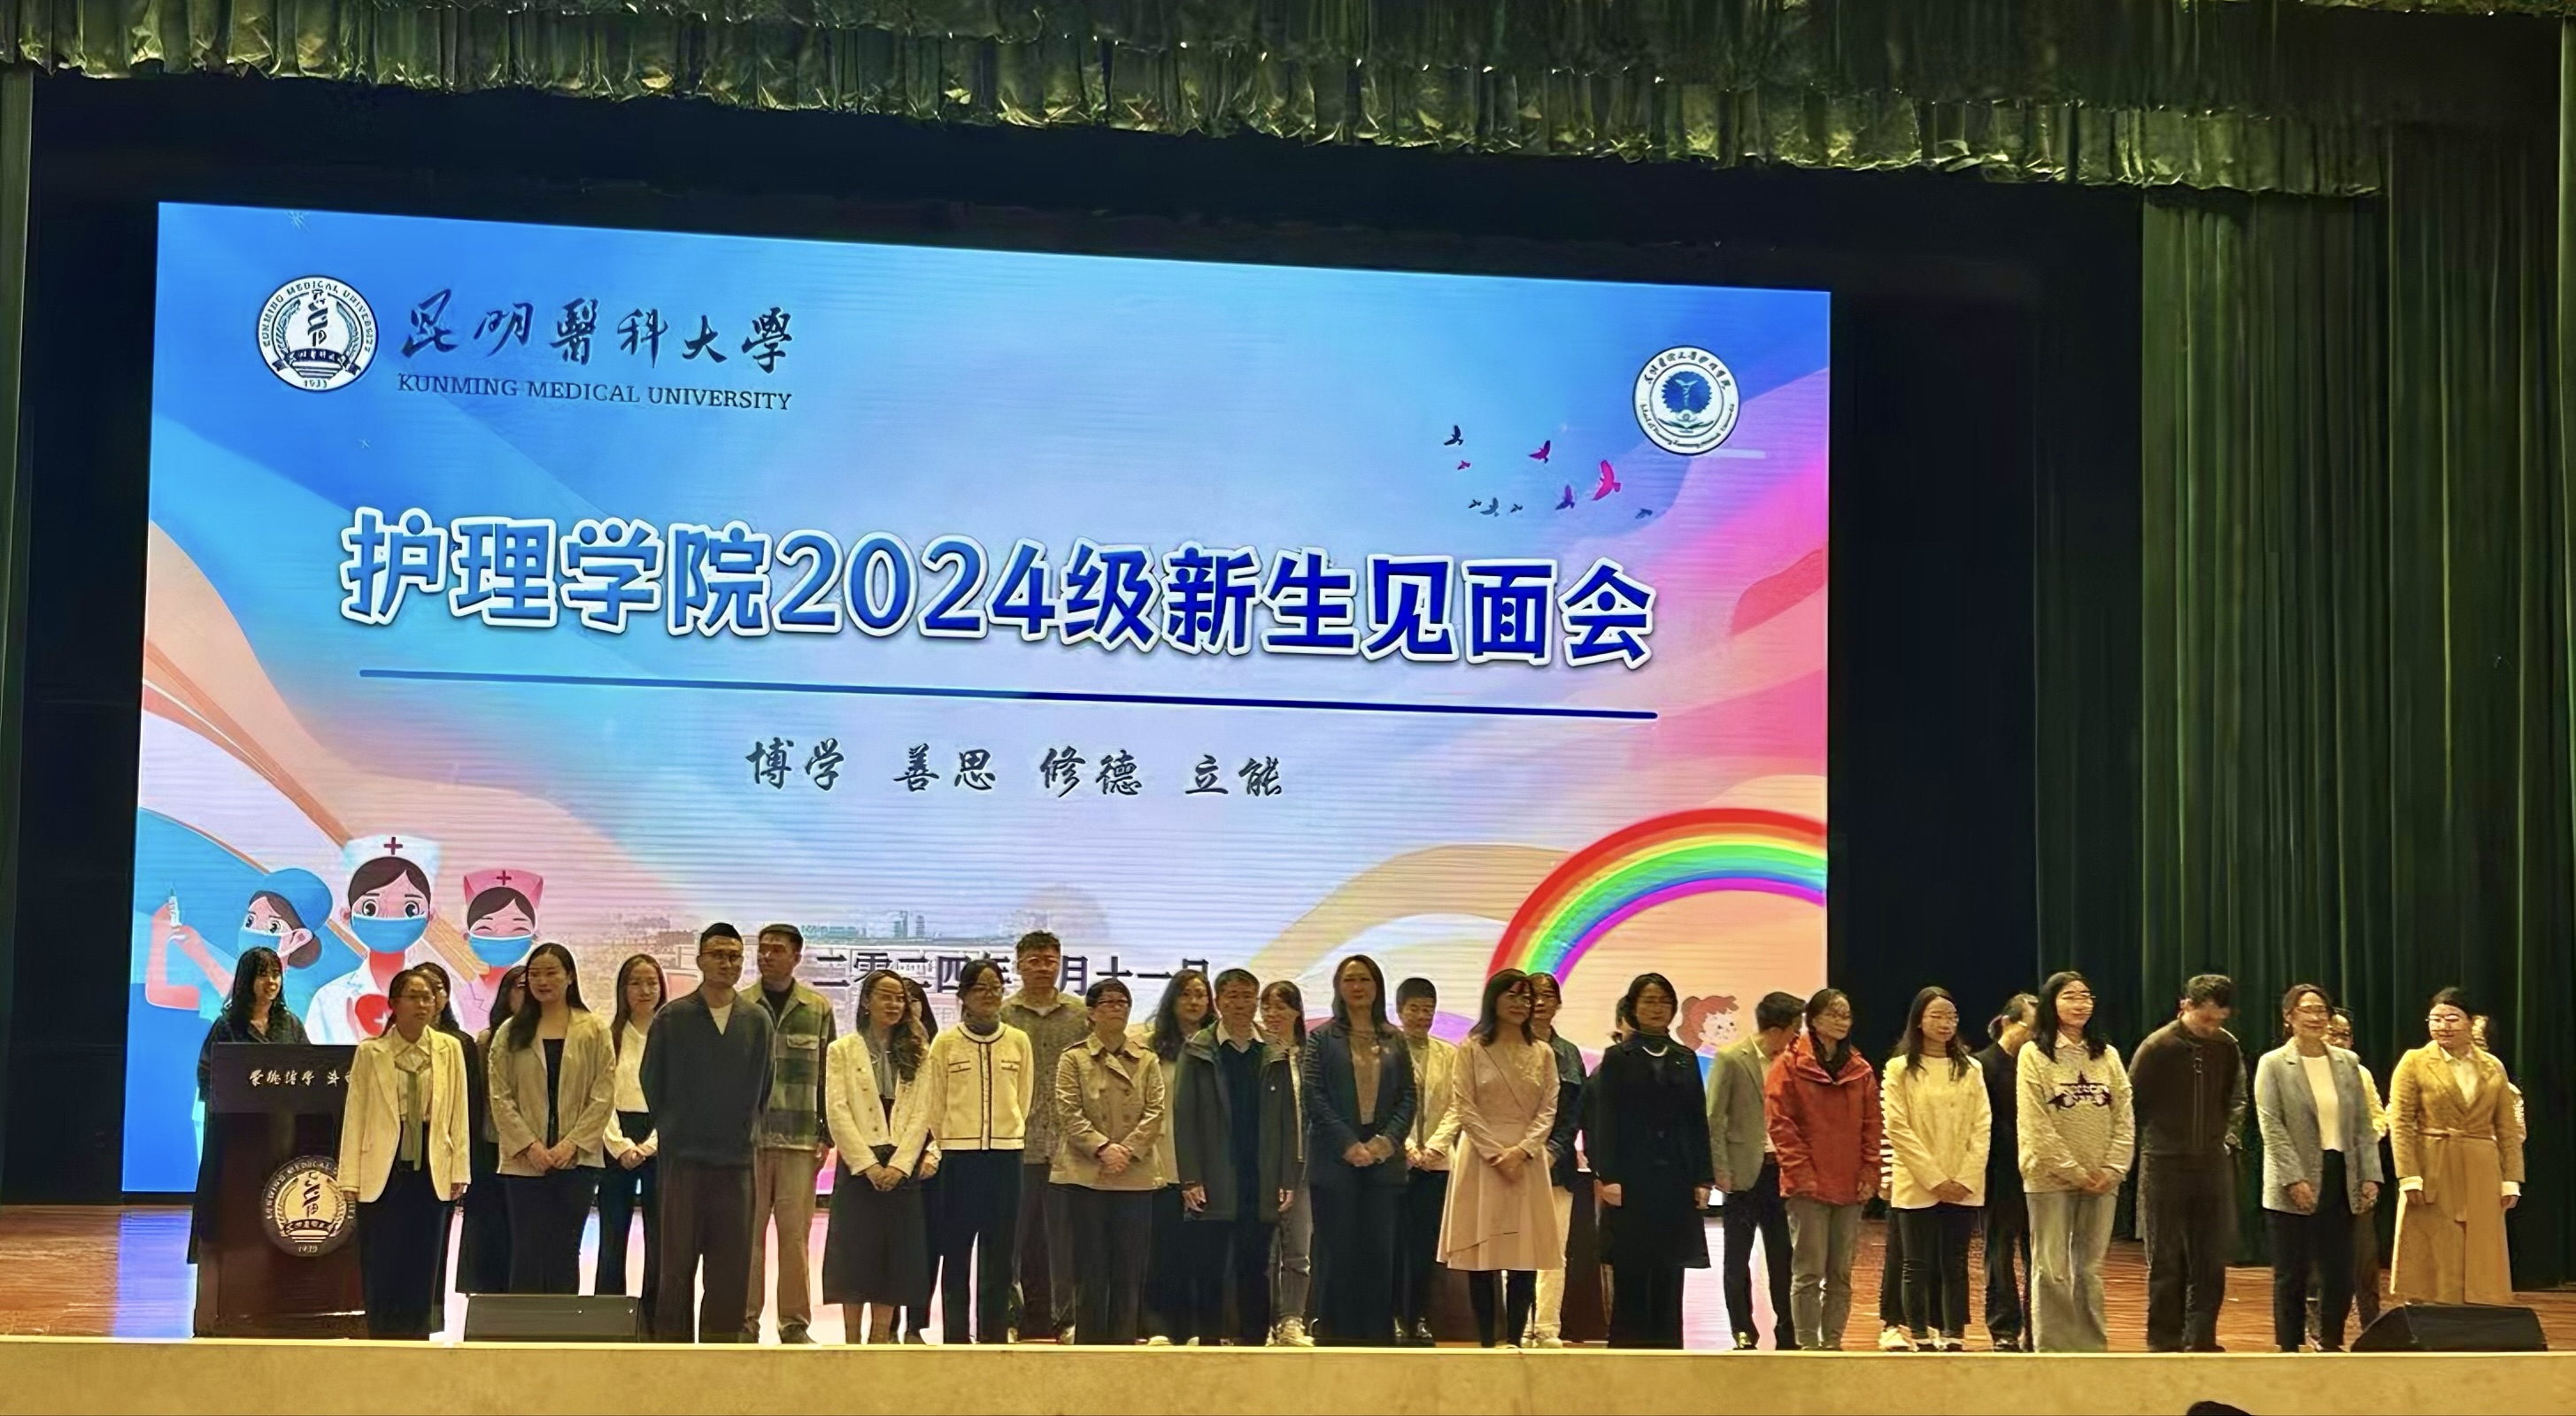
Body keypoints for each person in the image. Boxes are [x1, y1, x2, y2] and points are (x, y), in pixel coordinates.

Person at [641, 923, 775, 1342]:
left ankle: (720, 1359)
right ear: (700, 960)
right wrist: (675, 1131)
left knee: (730, 1271)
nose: (726, 963)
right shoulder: (673, 1017)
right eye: (717, 955)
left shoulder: (757, 1020)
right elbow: (652, 1081)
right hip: (682, 1162)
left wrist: (742, 1132)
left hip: (736, 1163)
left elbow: (763, 1086)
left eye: (734, 956)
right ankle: (673, 1356)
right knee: (675, 1267)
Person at [335, 967, 470, 1338]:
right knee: (381, 1257)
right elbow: (355, 1114)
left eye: (428, 997)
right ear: (394, 1004)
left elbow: (458, 1114)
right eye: (413, 997)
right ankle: (381, 1335)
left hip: (431, 1165)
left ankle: (415, 1338)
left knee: (423, 1259)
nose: (423, 1005)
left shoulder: (449, 1049)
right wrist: (349, 1177)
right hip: (383, 1165)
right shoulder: (371, 1052)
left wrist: (460, 1169)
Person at [2256, 983, 2383, 1351]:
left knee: (2339, 1270)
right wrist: (2293, 1178)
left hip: (2341, 1172)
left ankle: (2330, 1341)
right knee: (2292, 1272)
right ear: (2289, 1017)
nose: (2315, 1017)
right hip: (2292, 1176)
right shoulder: (2274, 1064)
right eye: (2306, 1010)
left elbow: (2363, 1124)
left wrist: (2370, 1174)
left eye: (2321, 1011)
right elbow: (2271, 1126)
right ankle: (2288, 1347)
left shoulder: (2347, 1063)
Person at [1437, 969, 1560, 1348]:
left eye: (1526, 997)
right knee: (1483, 1255)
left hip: (1527, 1159)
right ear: (1494, 999)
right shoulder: (1472, 1049)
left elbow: (1549, 1108)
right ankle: (1488, 1343)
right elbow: (1464, 1105)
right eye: (1512, 996)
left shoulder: (1543, 1052)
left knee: (1525, 1252)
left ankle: (1517, 1340)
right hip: (1481, 1158)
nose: (1521, 1004)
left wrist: (1522, 1150)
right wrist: (1495, 1153)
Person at [1587, 972, 1711, 1349]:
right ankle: (1629, 1350)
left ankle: (1668, 1348)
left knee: (1671, 1268)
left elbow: (1697, 1122)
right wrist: (1607, 1174)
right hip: (1631, 1179)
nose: (1657, 1009)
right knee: (1632, 1267)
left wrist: (1703, 1179)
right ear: (1633, 1008)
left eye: (1663, 1002)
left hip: (1675, 1179)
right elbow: (1603, 1121)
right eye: (1649, 1001)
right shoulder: (1617, 1058)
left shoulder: (1685, 1058)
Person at [1176, 967, 1297, 1347]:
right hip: (1213, 1175)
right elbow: (1184, 1117)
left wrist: (1288, 1176)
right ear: (1219, 1001)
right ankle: (1210, 1344)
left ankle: (1254, 1344)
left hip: (1260, 1175)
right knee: (1209, 1267)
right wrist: (1190, 1177)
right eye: (1232, 996)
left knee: (1255, 1266)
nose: (1240, 1004)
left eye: (1247, 997)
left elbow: (1288, 1119)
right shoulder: (1198, 1048)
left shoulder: (1274, 1050)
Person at [1301, 953, 1417, 1347]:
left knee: (1379, 1254)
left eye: (1365, 979)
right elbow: (1314, 1095)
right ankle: (1336, 1337)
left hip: (1383, 1165)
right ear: (1338, 987)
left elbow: (1407, 1097)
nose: (1357, 986)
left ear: (1377, 986)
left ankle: (1377, 1339)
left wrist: (1384, 1143)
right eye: (1350, 979)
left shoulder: (1394, 1038)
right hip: (1336, 1161)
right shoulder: (1322, 1038)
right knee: (1338, 1252)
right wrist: (1349, 1144)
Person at [489, 942, 615, 1294]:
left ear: (570, 977)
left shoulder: (594, 1029)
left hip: (576, 1162)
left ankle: (563, 1326)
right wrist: (531, 1146)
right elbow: (500, 1096)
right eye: (535, 974)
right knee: (527, 1251)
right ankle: (523, 1327)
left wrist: (570, 1145)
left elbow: (603, 1095)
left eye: (551, 973)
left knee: (564, 1251)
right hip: (523, 1162)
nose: (542, 981)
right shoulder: (511, 1031)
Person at [2017, 970, 2133, 1353]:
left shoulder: (2107, 1054)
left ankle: (2091, 1349)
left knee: (2089, 1269)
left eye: (2086, 996)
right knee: (2051, 1269)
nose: (2080, 1004)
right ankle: (2054, 1349)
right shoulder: (2034, 1054)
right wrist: (2074, 1171)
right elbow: (2035, 1124)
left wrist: (2113, 1168)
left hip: (2102, 1180)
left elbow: (2124, 1114)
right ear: (2051, 1004)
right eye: (2070, 996)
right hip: (2049, 1178)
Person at [2127, 973, 2244, 1352]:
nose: (2211, 1027)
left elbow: (2235, 1098)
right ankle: (2164, 1339)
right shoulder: (2157, 1047)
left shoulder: (2226, 1046)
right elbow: (2132, 1104)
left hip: (2211, 1162)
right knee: (2166, 1256)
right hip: (2164, 1161)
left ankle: (2202, 1336)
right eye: (2204, 1019)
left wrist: (2227, 1139)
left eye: (2219, 1020)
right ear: (2185, 1006)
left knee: (2211, 1257)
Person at [921, 957, 1033, 1344]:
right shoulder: (946, 1042)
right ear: (964, 996)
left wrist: (1007, 1131)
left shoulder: (1017, 1041)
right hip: (958, 1157)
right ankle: (955, 1336)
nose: (989, 995)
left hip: (1006, 1156)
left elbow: (1023, 1097)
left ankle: (993, 1334)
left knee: (999, 1253)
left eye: (996, 988)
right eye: (980, 988)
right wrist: (950, 1140)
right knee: (955, 1250)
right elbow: (935, 1102)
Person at [2390, 988, 2524, 1304]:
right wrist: (2408, 1175)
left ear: (2470, 1022)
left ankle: (2478, 1313)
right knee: (2435, 1244)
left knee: (2480, 1246)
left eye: (2452, 1018)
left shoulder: (2492, 1066)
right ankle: (2431, 1314)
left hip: (2481, 1167)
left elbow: (2506, 1127)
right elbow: (2401, 1122)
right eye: (2435, 1019)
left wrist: (2511, 1178)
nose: (2443, 1026)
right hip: (2433, 1162)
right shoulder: (2415, 1062)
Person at [823, 969, 937, 1343]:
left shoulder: (919, 1053)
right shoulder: (842, 1050)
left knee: (894, 1257)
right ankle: (851, 1339)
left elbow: (923, 1114)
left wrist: (901, 1166)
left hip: (901, 1165)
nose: (894, 1004)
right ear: (866, 1002)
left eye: (899, 998)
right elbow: (837, 1111)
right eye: (885, 996)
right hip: (859, 1165)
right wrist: (868, 1165)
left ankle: (879, 1338)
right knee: (855, 1254)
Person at [1053, 978, 1167, 1343]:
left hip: (1134, 1175)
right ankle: (1089, 1347)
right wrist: (1103, 1148)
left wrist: (1126, 1151)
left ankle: (1123, 1346)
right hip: (1086, 1174)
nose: (1117, 1008)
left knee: (1128, 1270)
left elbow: (1155, 1111)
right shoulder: (1073, 1058)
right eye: (1108, 1003)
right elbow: (1068, 1112)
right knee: (1090, 1269)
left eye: (1123, 1002)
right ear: (1091, 1012)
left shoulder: (1147, 1059)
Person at [1765, 987, 1879, 1351]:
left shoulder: (1860, 1069)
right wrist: (1802, 1174)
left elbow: (1872, 1125)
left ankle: (1832, 1344)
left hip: (1850, 1185)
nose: (1841, 1021)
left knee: (1840, 1274)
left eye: (1846, 1015)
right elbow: (1780, 1124)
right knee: (1808, 1271)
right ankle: (1807, 1346)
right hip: (1807, 1186)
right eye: (1832, 1014)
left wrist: (1870, 1172)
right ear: (1813, 1020)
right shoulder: (1788, 1064)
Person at [1881, 986, 1991, 1353]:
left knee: (1955, 1262)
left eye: (1951, 1016)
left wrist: (1964, 1177)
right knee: (1916, 1262)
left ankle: (1953, 1332)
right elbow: (1897, 1127)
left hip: (1963, 1181)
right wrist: (1934, 1178)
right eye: (1937, 1016)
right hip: (1916, 1181)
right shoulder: (1899, 1069)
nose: (1945, 1023)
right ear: (1918, 1020)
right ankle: (1920, 1333)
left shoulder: (1971, 1068)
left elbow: (1982, 1125)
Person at [741, 922, 836, 1343]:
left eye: (777, 950)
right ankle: (745, 1321)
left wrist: (826, 1135)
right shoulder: (741, 1006)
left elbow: (828, 1077)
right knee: (748, 1236)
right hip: (749, 1141)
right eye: (762, 949)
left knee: (794, 1239)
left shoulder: (818, 1008)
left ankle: (794, 1324)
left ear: (797, 957)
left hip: (799, 1141)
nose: (767, 956)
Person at [189, 945, 310, 1264]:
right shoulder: (227, 1026)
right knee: (236, 1202)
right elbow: (206, 1075)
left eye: (276, 974)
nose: (271, 982)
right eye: (263, 974)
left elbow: (308, 1071)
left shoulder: (291, 1025)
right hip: (237, 1135)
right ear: (246, 980)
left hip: (281, 1131)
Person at [999, 930, 1089, 1343]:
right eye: (1033, 960)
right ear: (1018, 964)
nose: (1042, 967)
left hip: (1070, 1144)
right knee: (1012, 1239)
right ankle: (1009, 1319)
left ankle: (1066, 1320)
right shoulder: (1004, 1014)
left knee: (1065, 1242)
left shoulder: (1080, 1014)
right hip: (1017, 1142)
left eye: (1050, 960)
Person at [1706, 989, 1800, 1351]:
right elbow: (1714, 1117)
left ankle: (1788, 1330)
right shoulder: (1732, 1058)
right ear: (1775, 1029)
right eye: (1793, 1029)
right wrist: (1720, 1169)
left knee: (1783, 1256)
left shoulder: (1792, 1061)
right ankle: (1742, 1329)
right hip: (1742, 1171)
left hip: (1781, 1171)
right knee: (1737, 1257)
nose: (1796, 1036)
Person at [1138, 968, 1213, 1343]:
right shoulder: (1152, 1048)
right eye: (1186, 994)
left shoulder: (1218, 1046)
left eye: (1200, 994)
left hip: (1208, 1162)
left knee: (1200, 1252)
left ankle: (1197, 1327)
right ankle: (1158, 1327)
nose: (1194, 1001)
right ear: (1172, 1000)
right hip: (1161, 1160)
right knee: (1161, 1249)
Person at [1392, 975, 1461, 1345]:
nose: (1421, 1017)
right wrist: (1405, 1147)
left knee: (1424, 1248)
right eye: (1414, 1009)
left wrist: (1435, 1146)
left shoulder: (1449, 1054)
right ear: (1399, 1010)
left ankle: (1418, 1318)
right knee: (1394, 1245)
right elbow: (1385, 1106)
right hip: (1395, 1163)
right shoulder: (1387, 1051)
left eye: (1428, 1010)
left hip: (1436, 1165)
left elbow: (1457, 1105)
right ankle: (1393, 1318)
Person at [597, 953, 666, 1322]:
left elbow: (676, 1097)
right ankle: (609, 1315)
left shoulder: (670, 1037)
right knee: (612, 1232)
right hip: (615, 1139)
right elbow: (601, 1097)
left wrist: (652, 1144)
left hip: (660, 1138)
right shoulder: (609, 1038)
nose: (644, 990)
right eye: (636, 983)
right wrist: (620, 1145)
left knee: (660, 1236)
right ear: (623, 989)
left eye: (651, 982)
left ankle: (656, 1317)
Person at [2312, 1007, 2388, 1341]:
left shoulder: (2361, 1073)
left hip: (2356, 1171)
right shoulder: (2302, 1070)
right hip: (2316, 1171)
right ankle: (2319, 1326)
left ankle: (2371, 1324)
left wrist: (2366, 1140)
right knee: (2318, 1256)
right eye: (2333, 1033)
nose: (2340, 1040)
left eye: (2345, 1035)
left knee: (2363, 1255)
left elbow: (2378, 1117)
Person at [1523, 971, 1588, 1348]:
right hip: (1514, 1162)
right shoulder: (1507, 1048)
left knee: (1554, 1249)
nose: (1540, 1002)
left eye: (1548, 995)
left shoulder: (1569, 1053)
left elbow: (1577, 1111)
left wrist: (1553, 1150)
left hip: (1557, 1164)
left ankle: (1547, 1326)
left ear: (1558, 1003)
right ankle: (1518, 1325)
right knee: (1515, 1249)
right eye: (1532, 995)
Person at [1976, 993, 2039, 1351]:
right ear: (2006, 1023)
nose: (2035, 1037)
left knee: (2038, 1254)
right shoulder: (1981, 1065)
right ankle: (2004, 1329)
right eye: (2031, 1028)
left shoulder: (2041, 1064)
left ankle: (2038, 1325)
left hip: (2038, 1172)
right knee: (1999, 1252)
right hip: (1998, 1171)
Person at [458, 964, 526, 1295]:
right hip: (492, 1144)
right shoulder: (488, 1039)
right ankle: (484, 1294)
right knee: (488, 1226)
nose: (528, 993)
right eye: (520, 987)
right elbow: (482, 1097)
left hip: (535, 1150)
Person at [1260, 980, 1316, 1347]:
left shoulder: (1312, 1056)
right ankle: (1264, 1321)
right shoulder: (1259, 1055)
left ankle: (1293, 1320)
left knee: (1298, 1250)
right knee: (1265, 1253)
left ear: (1297, 1011)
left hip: (1305, 1166)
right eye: (1266, 1007)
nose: (1272, 1014)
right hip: (1265, 1166)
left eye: (1280, 1006)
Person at [900, 975, 944, 1343]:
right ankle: (884, 1326)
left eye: (912, 998)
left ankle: (915, 1325)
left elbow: (947, 1108)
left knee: (927, 1247)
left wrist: (934, 1152)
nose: (906, 1005)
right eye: (899, 998)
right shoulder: (875, 1051)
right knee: (890, 1247)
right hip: (888, 1160)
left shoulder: (940, 1050)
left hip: (930, 1164)